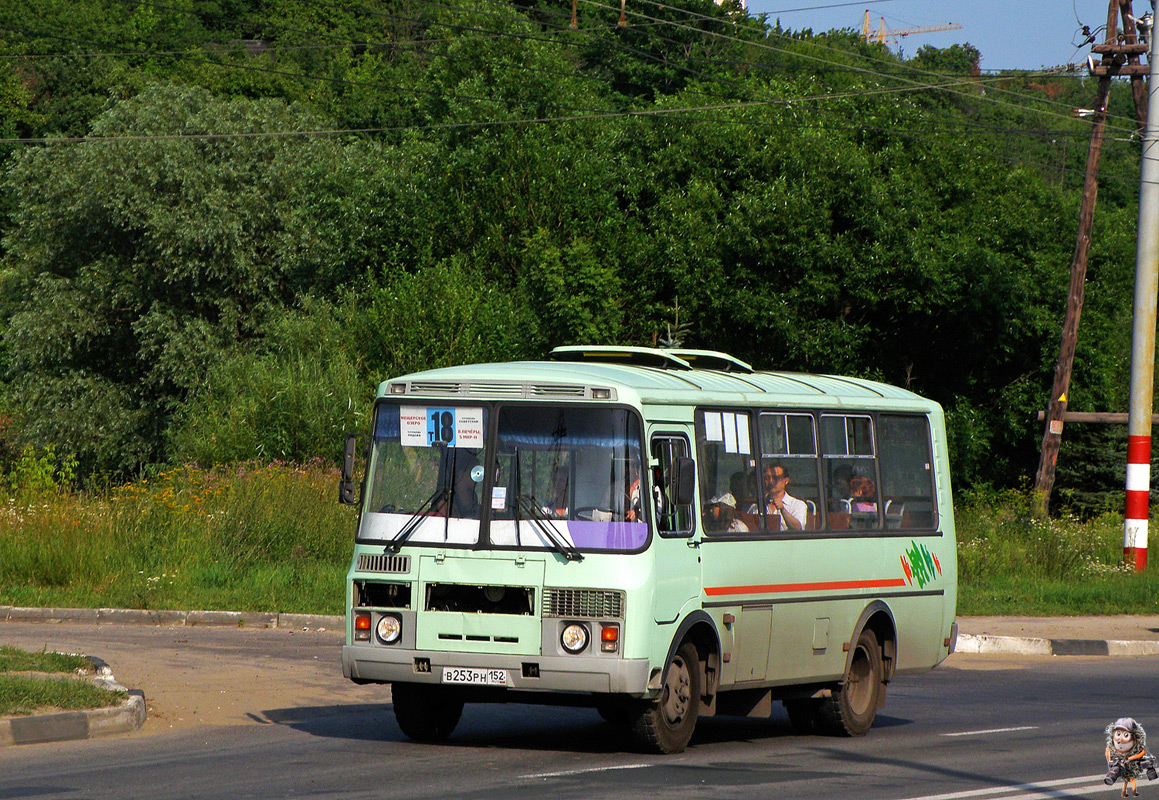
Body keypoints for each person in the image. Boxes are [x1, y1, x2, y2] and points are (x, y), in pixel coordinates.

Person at [759, 463, 806, 531]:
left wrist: (782, 509)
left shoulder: (797, 504)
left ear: (786, 481)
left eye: (775, 478)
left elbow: (798, 528)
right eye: (767, 478)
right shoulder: (758, 505)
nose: (771, 481)